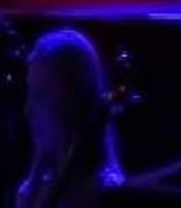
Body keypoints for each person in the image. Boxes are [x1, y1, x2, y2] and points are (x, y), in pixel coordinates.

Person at [17, 29, 125, 208]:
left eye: (40, 95)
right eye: (30, 93)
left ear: (73, 101)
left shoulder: (107, 196)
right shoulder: (33, 192)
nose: (27, 111)